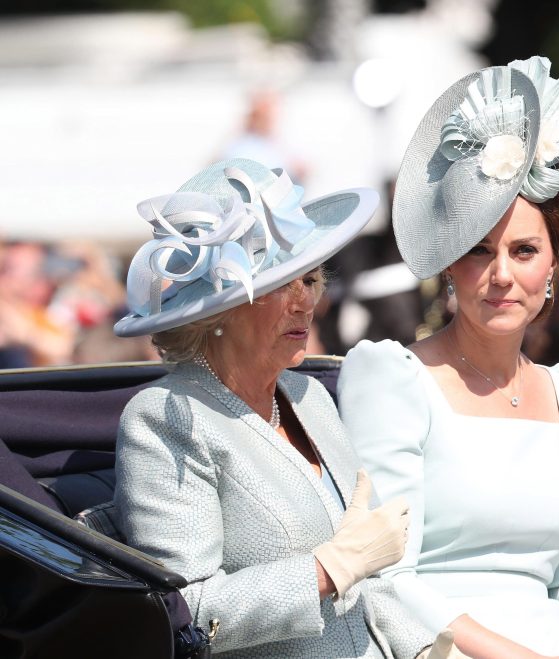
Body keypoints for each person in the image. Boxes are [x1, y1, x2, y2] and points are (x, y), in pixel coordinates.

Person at [337, 57, 559, 659]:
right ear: (449, 264)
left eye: (522, 250)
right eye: (478, 251)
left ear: (552, 265)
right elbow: (387, 582)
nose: (500, 276)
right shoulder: (391, 378)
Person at [112, 158, 465, 658]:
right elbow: (185, 612)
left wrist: (427, 650)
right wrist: (327, 571)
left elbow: (371, 580)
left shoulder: (308, 396)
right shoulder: (167, 418)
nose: (307, 302)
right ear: (222, 308)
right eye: (283, 284)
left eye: (312, 278)